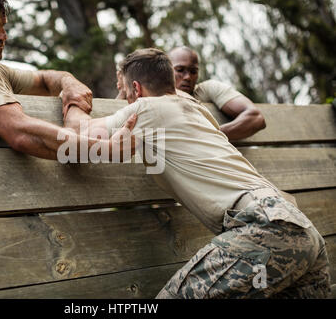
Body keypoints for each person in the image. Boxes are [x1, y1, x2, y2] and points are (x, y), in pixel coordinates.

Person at [64, 48, 331, 298]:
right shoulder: (197, 110)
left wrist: (70, 96)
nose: (123, 99)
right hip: (302, 231)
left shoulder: (148, 108)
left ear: (136, 88)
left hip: (265, 229)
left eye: (124, 91)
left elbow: (80, 131)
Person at [0, 0, 136, 160]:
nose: (2, 36)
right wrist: (107, 150)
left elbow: (43, 80)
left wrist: (69, 83)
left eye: (3, 27)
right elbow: (20, 133)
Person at [167, 46, 266, 141]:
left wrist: (209, 137)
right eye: (180, 70)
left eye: (193, 71)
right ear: (166, 69)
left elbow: (256, 118)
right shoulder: (155, 99)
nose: (188, 77)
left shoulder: (208, 89)